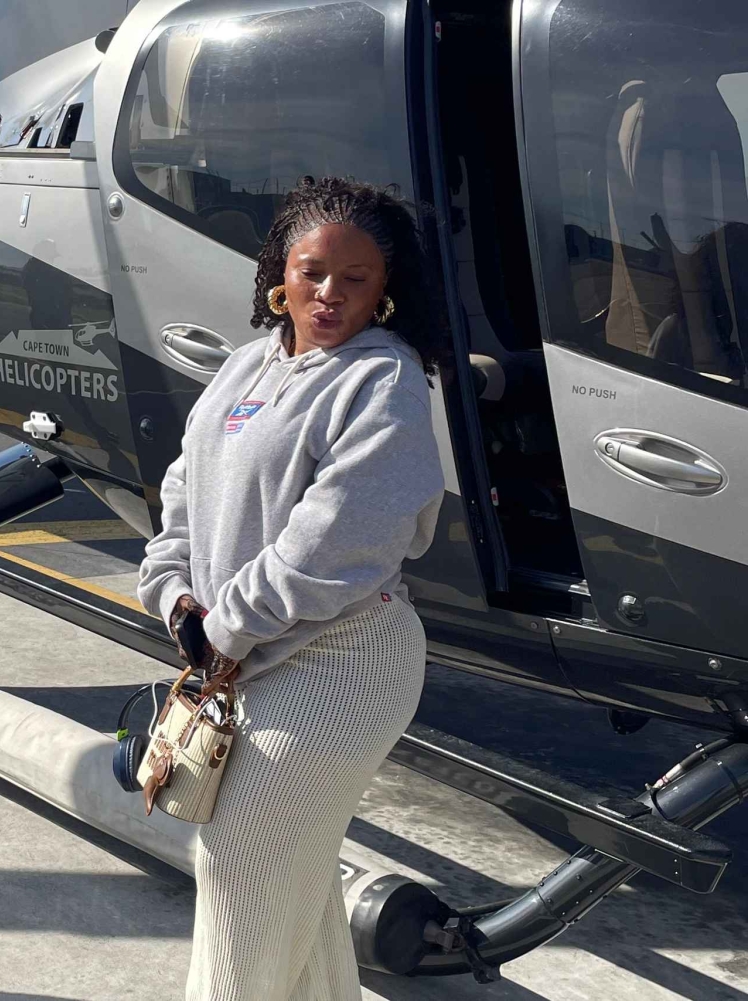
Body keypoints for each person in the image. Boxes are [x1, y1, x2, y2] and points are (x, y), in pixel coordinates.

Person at [137, 176, 446, 1001]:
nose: (330, 294)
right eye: (313, 271)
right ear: (280, 271)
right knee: (291, 892)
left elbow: (338, 536)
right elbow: (182, 492)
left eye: (356, 278)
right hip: (248, 654)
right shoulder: (246, 365)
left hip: (344, 660)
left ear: (387, 289)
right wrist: (173, 592)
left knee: (241, 862)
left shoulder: (384, 378)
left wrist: (225, 626)